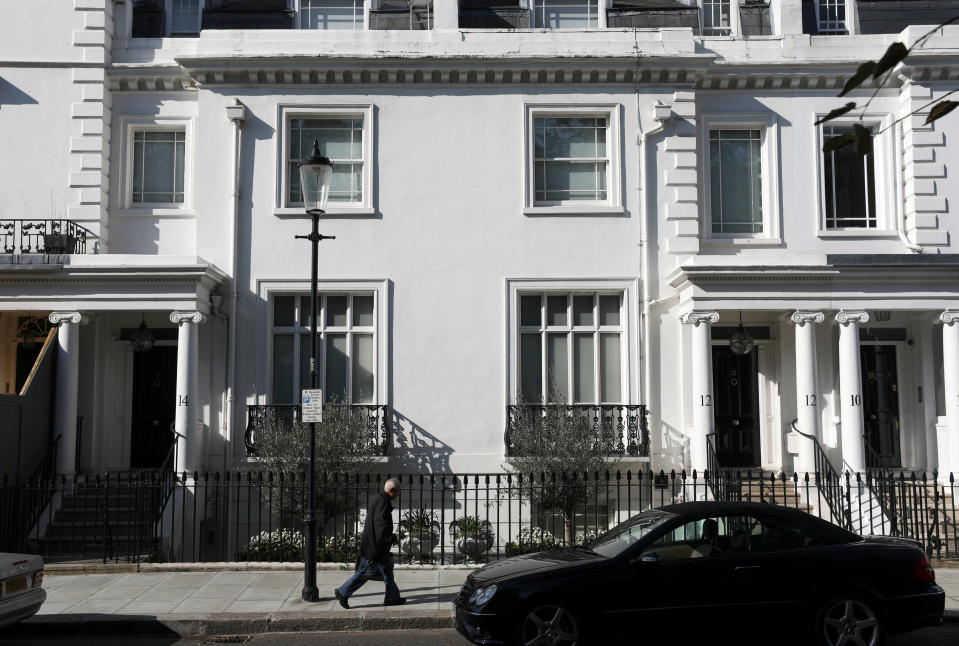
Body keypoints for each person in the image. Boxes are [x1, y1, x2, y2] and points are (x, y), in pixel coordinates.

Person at [334, 478, 406, 608]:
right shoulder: (383, 503)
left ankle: (392, 598)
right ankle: (343, 592)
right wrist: (392, 538)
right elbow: (381, 527)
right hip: (376, 548)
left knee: (387, 571)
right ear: (391, 490)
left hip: (375, 546)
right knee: (365, 572)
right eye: (398, 491)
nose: (399, 494)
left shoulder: (377, 498)